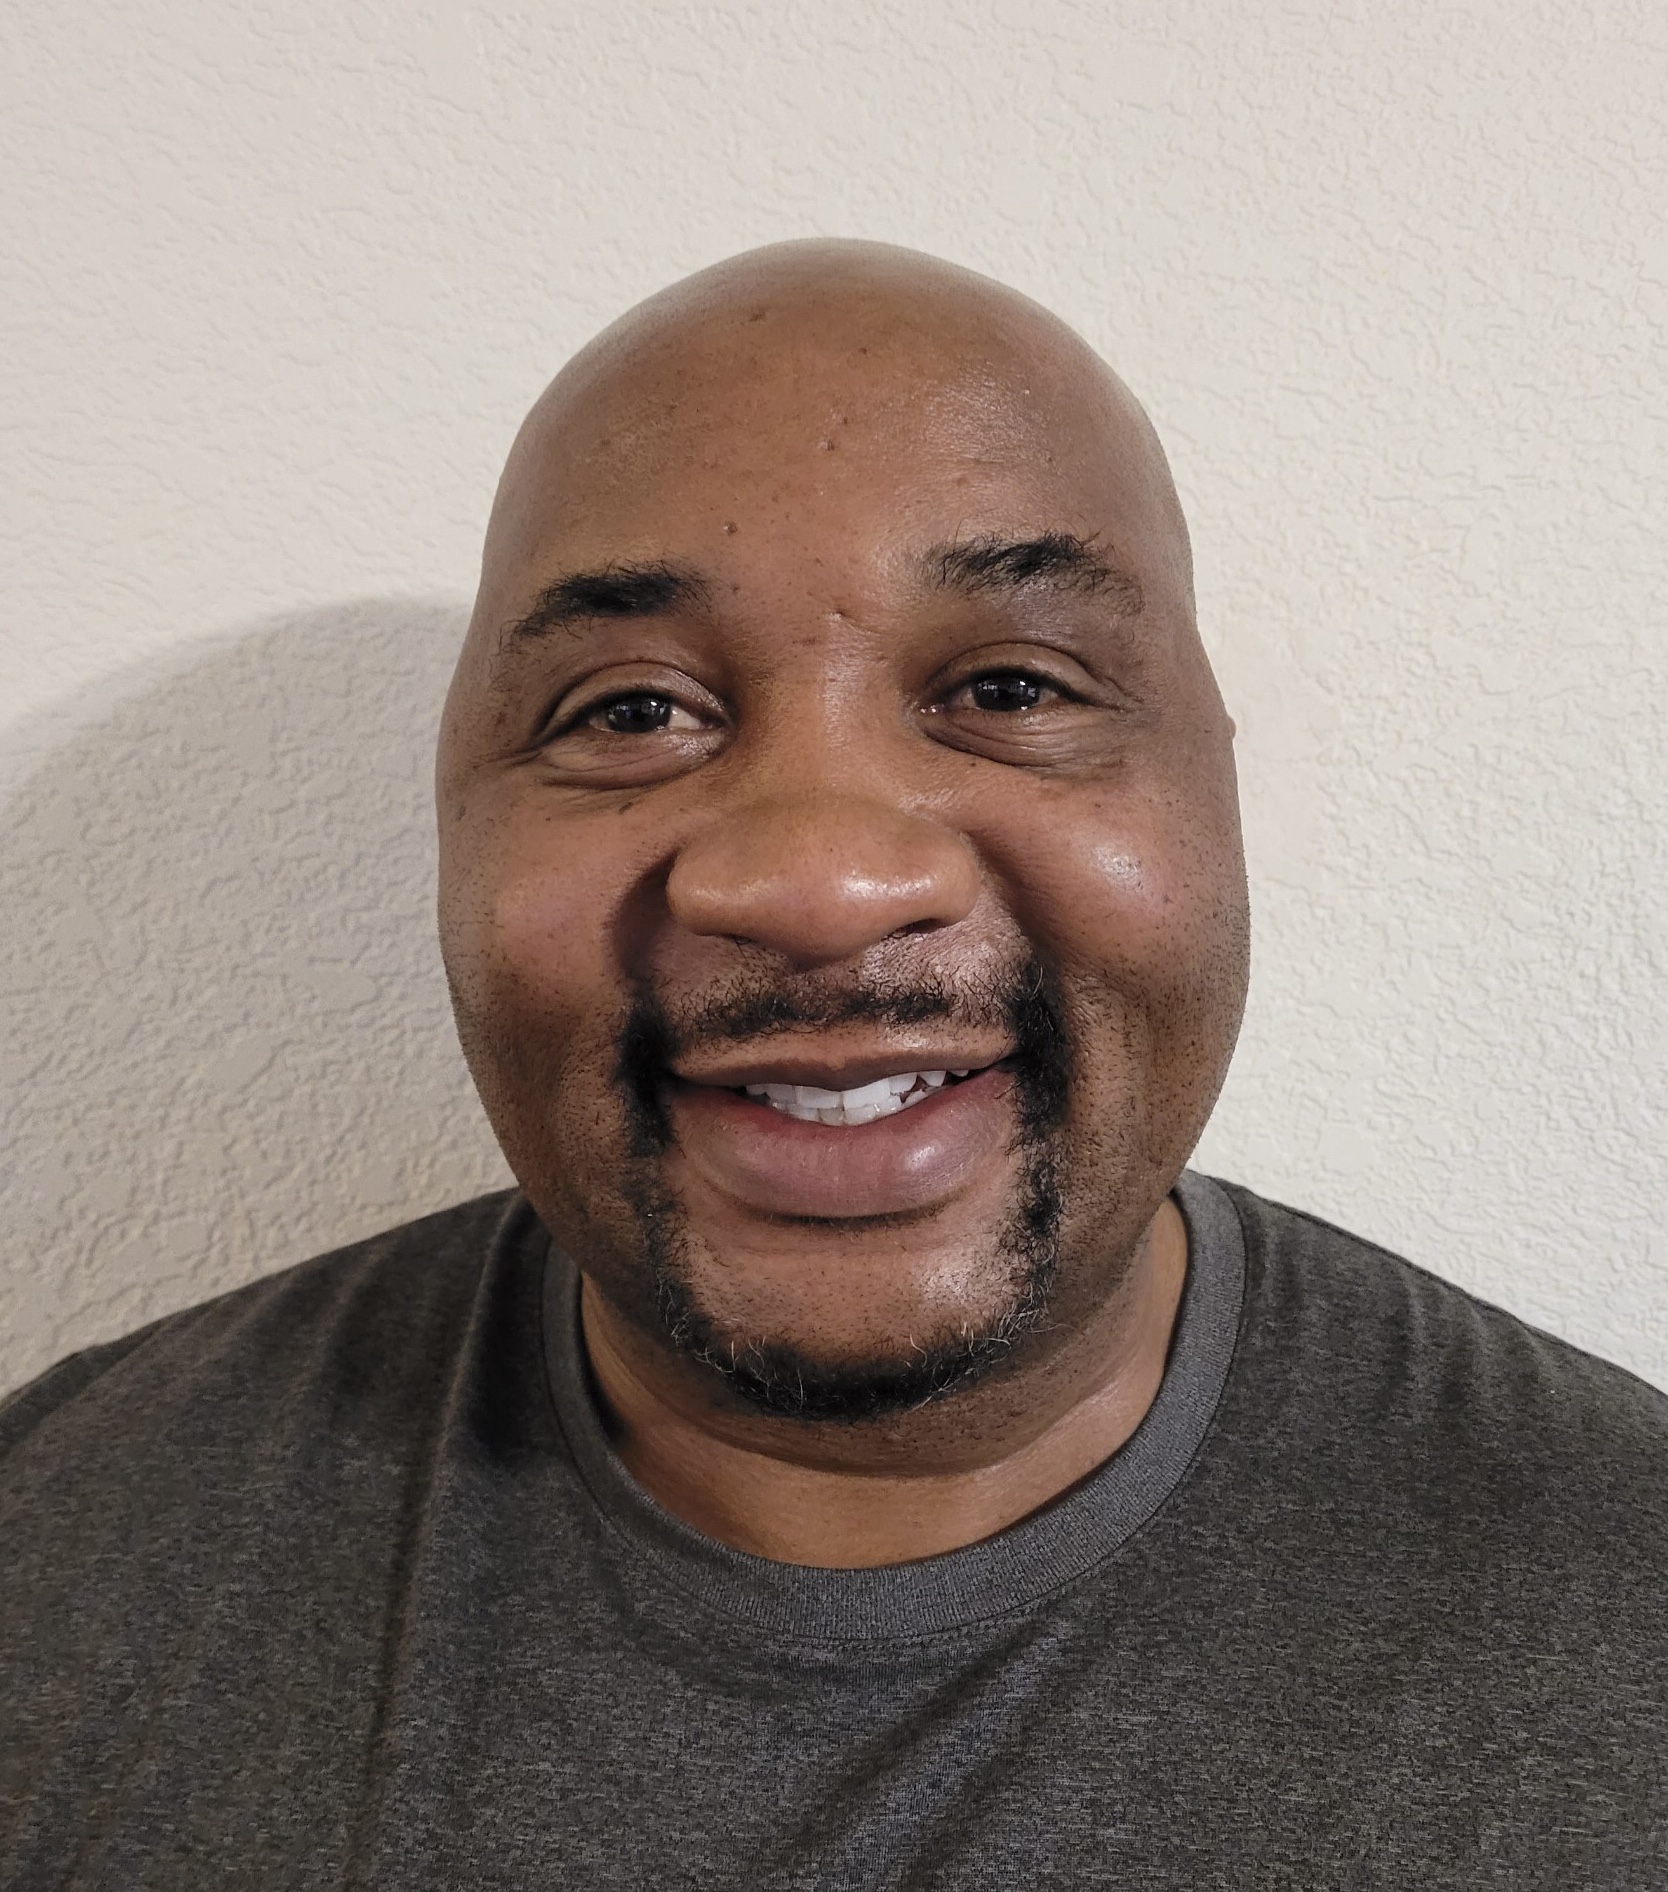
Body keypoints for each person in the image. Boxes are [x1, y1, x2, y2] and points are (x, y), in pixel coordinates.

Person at [2, 241, 1663, 1888]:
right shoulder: (54, 1570)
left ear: (1210, 793)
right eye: (631, 713)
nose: (821, 882)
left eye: (1011, 685)